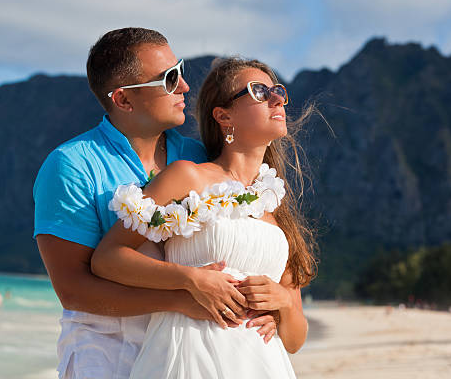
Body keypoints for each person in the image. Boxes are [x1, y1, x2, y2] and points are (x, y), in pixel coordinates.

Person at [33, 28, 279, 379]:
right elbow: (73, 291)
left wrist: (270, 307)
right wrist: (181, 297)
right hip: (106, 354)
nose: (184, 87)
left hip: (192, 352)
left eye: (179, 71)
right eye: (168, 79)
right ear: (123, 99)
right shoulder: (71, 165)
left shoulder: (197, 158)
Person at [92, 57, 317, 378]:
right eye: (259, 91)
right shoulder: (187, 177)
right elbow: (107, 259)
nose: (277, 99)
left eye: (278, 91)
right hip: (188, 355)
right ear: (224, 116)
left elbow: (295, 341)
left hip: (262, 365)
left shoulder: (276, 204)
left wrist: (284, 303)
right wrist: (190, 280)